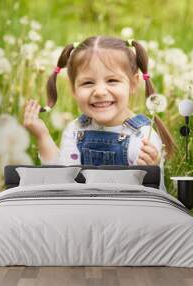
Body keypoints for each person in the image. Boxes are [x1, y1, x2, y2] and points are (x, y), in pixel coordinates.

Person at [23, 36, 176, 191]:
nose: (100, 92)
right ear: (74, 89)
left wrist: (151, 173)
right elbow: (61, 181)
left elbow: (156, 202)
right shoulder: (76, 130)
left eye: (112, 81)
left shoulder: (143, 137)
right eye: (88, 83)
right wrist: (42, 136)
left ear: (133, 83)